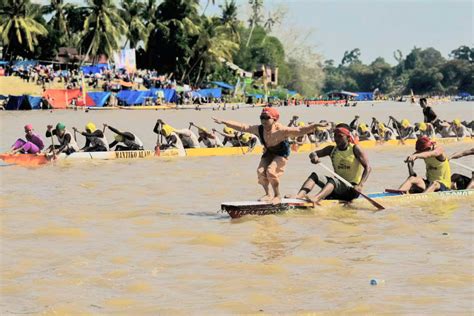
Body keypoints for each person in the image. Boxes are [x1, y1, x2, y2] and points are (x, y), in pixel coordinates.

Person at [213, 107, 328, 204]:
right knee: (260, 171)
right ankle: (268, 194)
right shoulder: (258, 129)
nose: (264, 120)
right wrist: (223, 121)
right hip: (269, 151)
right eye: (262, 118)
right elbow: (242, 127)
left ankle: (277, 195)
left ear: (274, 119)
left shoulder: (282, 130)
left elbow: (299, 130)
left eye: (267, 118)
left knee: (271, 171)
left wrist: (315, 125)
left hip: (282, 152)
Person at [285, 123, 371, 205]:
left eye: (340, 136)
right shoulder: (331, 149)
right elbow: (312, 153)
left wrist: (360, 185)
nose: (336, 139)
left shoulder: (355, 149)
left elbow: (368, 167)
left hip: (352, 189)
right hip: (337, 186)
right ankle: (299, 196)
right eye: (335, 136)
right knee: (314, 176)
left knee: (334, 181)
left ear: (348, 138)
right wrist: (314, 157)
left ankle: (316, 198)